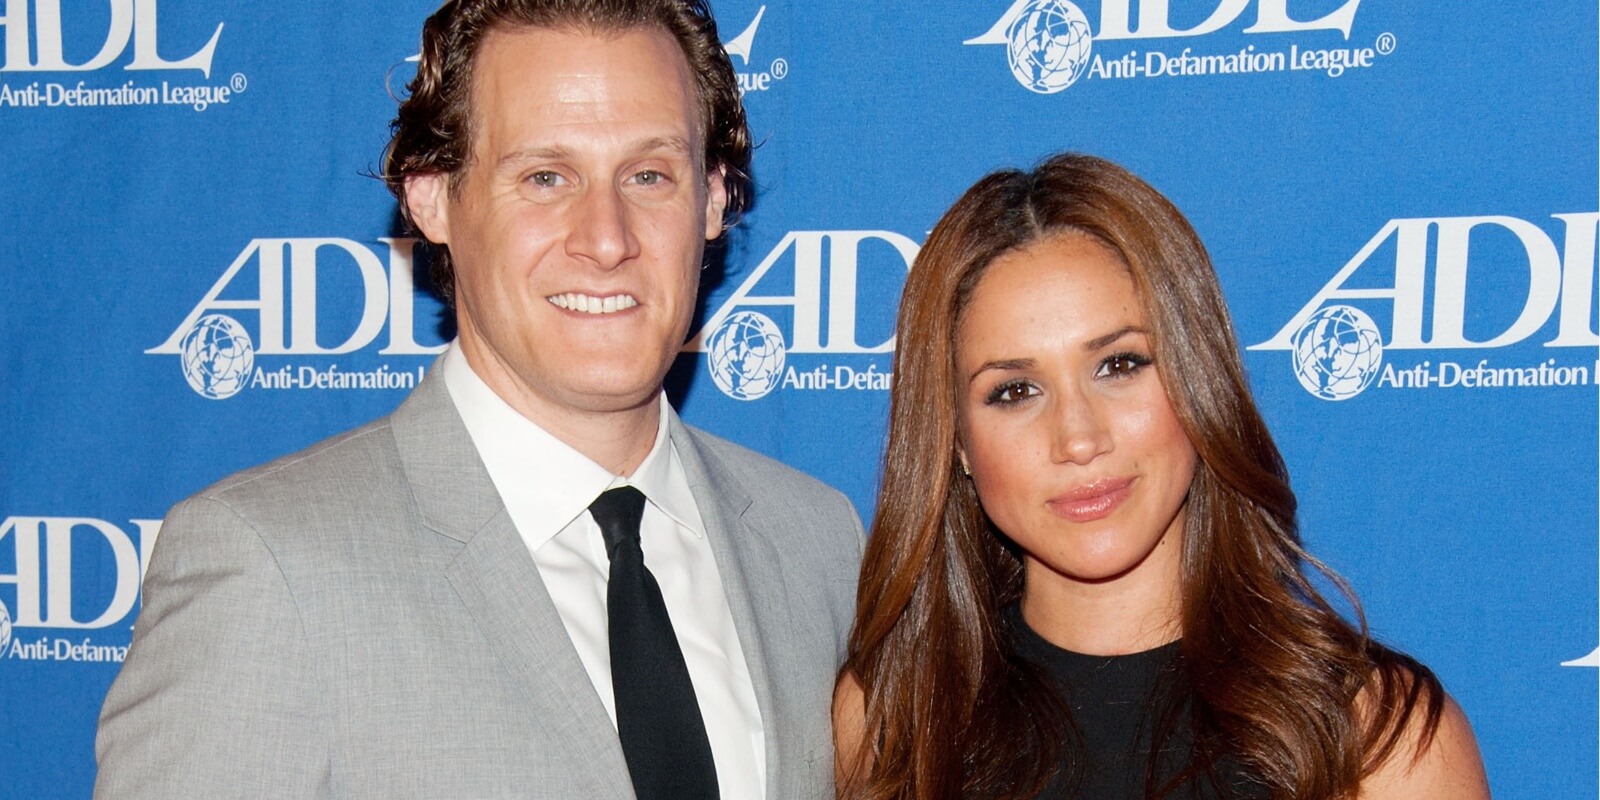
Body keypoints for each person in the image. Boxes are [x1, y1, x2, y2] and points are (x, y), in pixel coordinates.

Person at [94, 1, 863, 798]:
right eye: (544, 177)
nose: (606, 238)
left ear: (711, 201)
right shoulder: (270, 569)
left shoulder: (817, 544)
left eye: (648, 175)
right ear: (431, 198)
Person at [832, 153, 1490, 800]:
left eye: (1119, 365)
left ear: (1197, 380)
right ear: (957, 444)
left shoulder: (1375, 737)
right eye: (1014, 391)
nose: (1080, 438)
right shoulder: (891, 724)